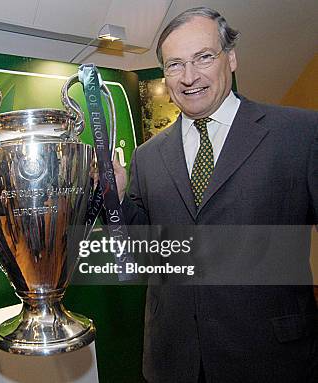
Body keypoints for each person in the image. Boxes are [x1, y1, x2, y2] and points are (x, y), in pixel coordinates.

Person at [113, 7, 317, 383]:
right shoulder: (147, 156)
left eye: (203, 57)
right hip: (174, 359)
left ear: (231, 58)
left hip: (270, 358)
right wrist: (120, 199)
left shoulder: (300, 134)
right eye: (175, 65)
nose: (189, 77)